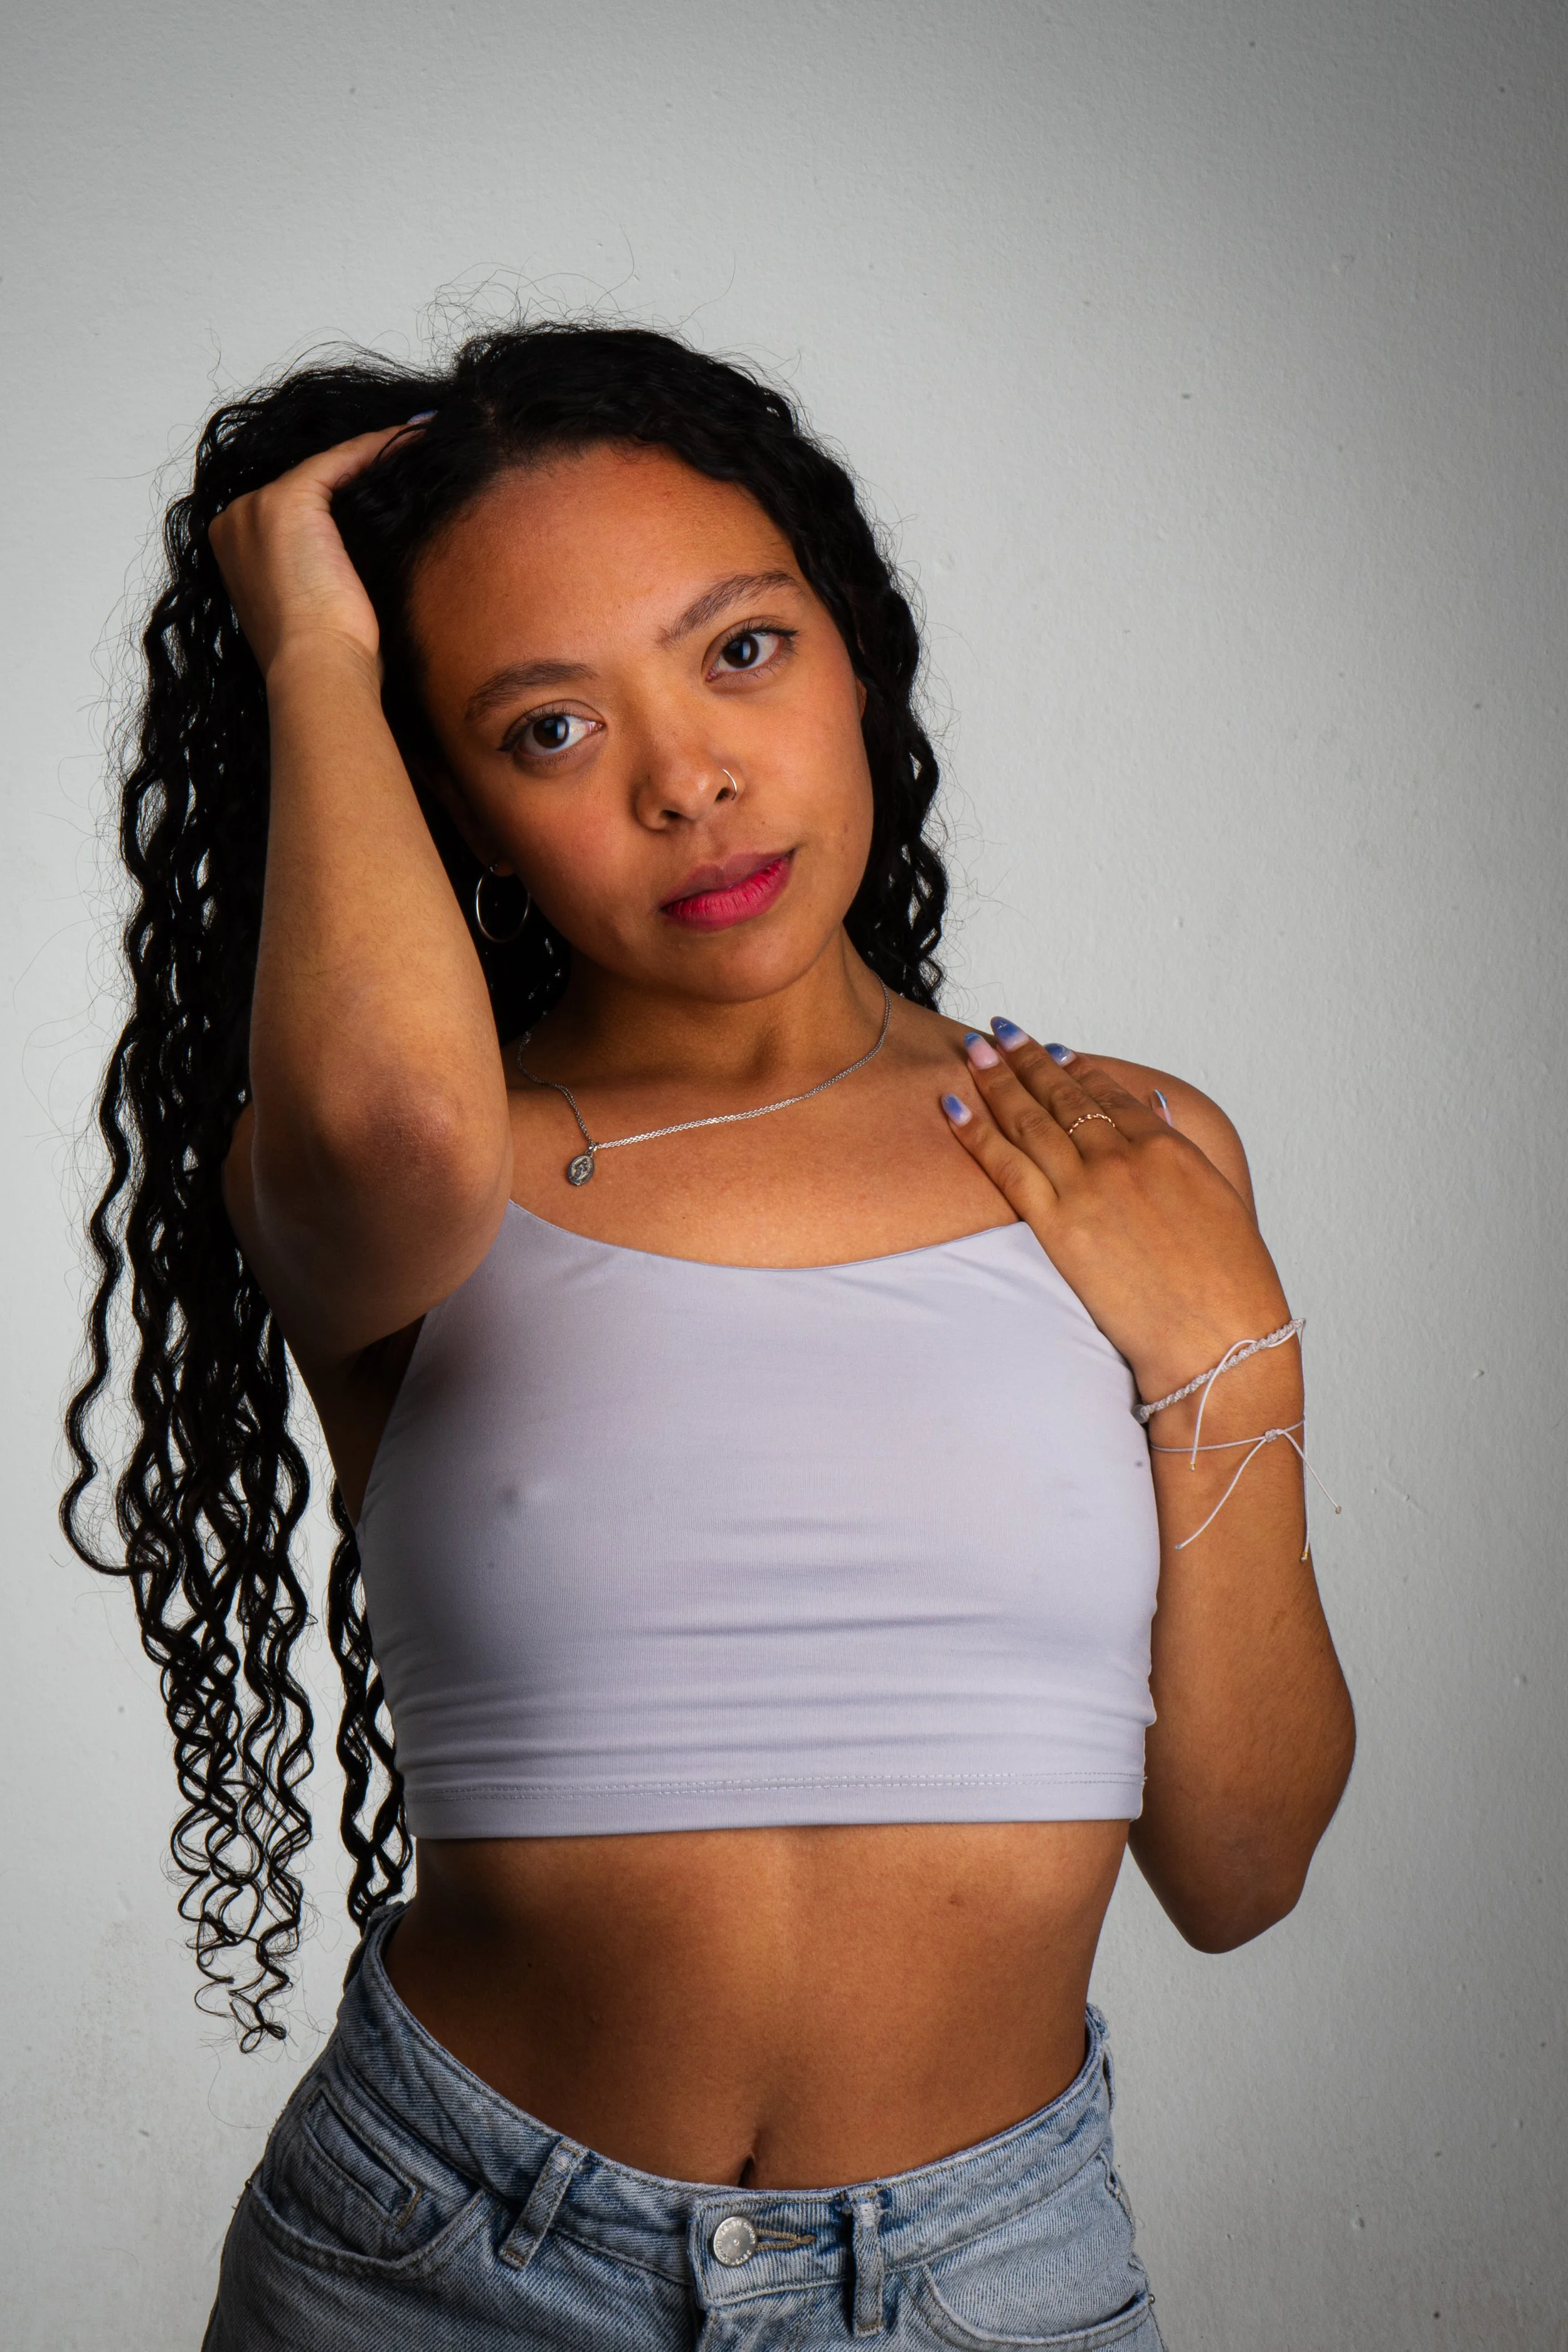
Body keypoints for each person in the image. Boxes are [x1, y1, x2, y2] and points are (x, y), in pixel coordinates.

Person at [64, 320, 1355, 2350]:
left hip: (981, 2278)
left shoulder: (1123, 1154)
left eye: (740, 649)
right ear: (444, 799)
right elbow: (392, 1116)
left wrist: (1233, 1355)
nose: (687, 780)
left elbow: (1241, 1861)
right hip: (437, 2263)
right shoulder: (426, 1181)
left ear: (854, 647)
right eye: (545, 730)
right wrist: (312, 649)